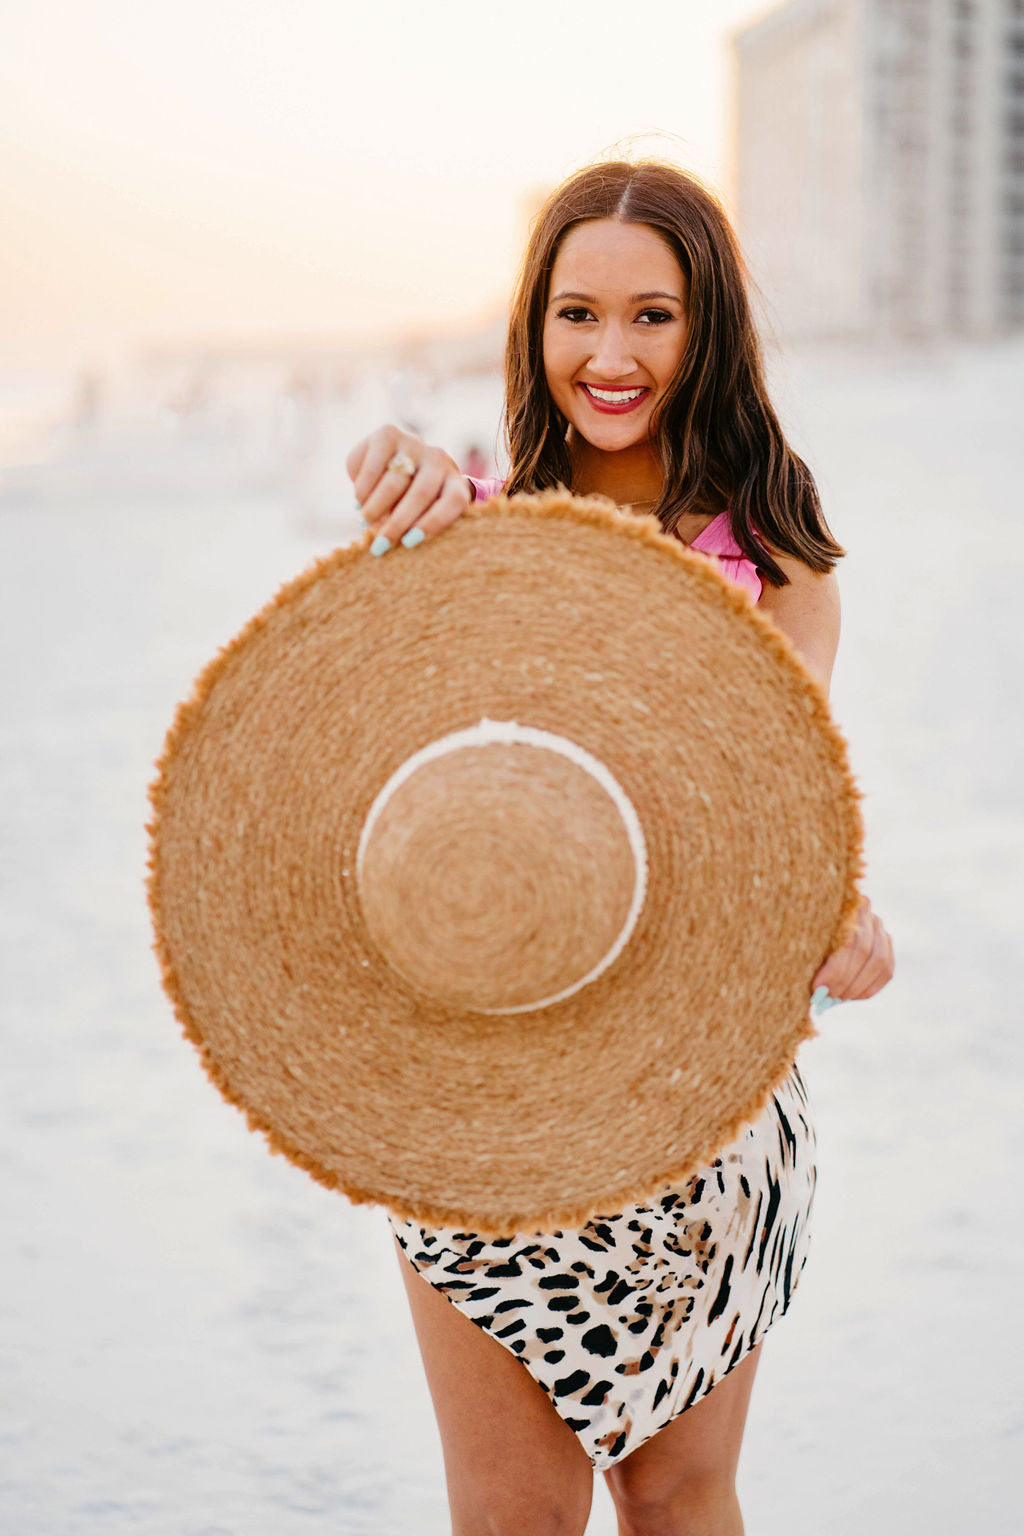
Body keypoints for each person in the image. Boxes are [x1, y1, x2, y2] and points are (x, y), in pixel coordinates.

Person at [346, 159, 895, 1536]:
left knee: (680, 1496)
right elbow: (391, 791)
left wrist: (841, 924)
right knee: (509, 1511)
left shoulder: (770, 553)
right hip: (484, 1081)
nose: (610, 353)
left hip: (693, 1093)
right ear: (533, 328)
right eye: (575, 312)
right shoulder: (469, 532)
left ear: (708, 330)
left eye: (653, 315)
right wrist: (410, 493)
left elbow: (763, 817)